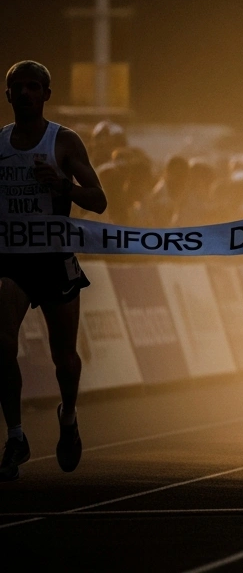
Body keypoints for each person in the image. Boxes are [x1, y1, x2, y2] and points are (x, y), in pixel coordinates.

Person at [0, 61, 107, 482]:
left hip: (54, 259)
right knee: (2, 344)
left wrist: (61, 186)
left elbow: (98, 200)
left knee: (64, 358)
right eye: (17, 88)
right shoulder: (1, 143)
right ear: (7, 95)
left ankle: (68, 415)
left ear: (46, 94)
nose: (25, 94)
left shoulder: (62, 141)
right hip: (12, 260)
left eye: (33, 87)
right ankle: (16, 435)